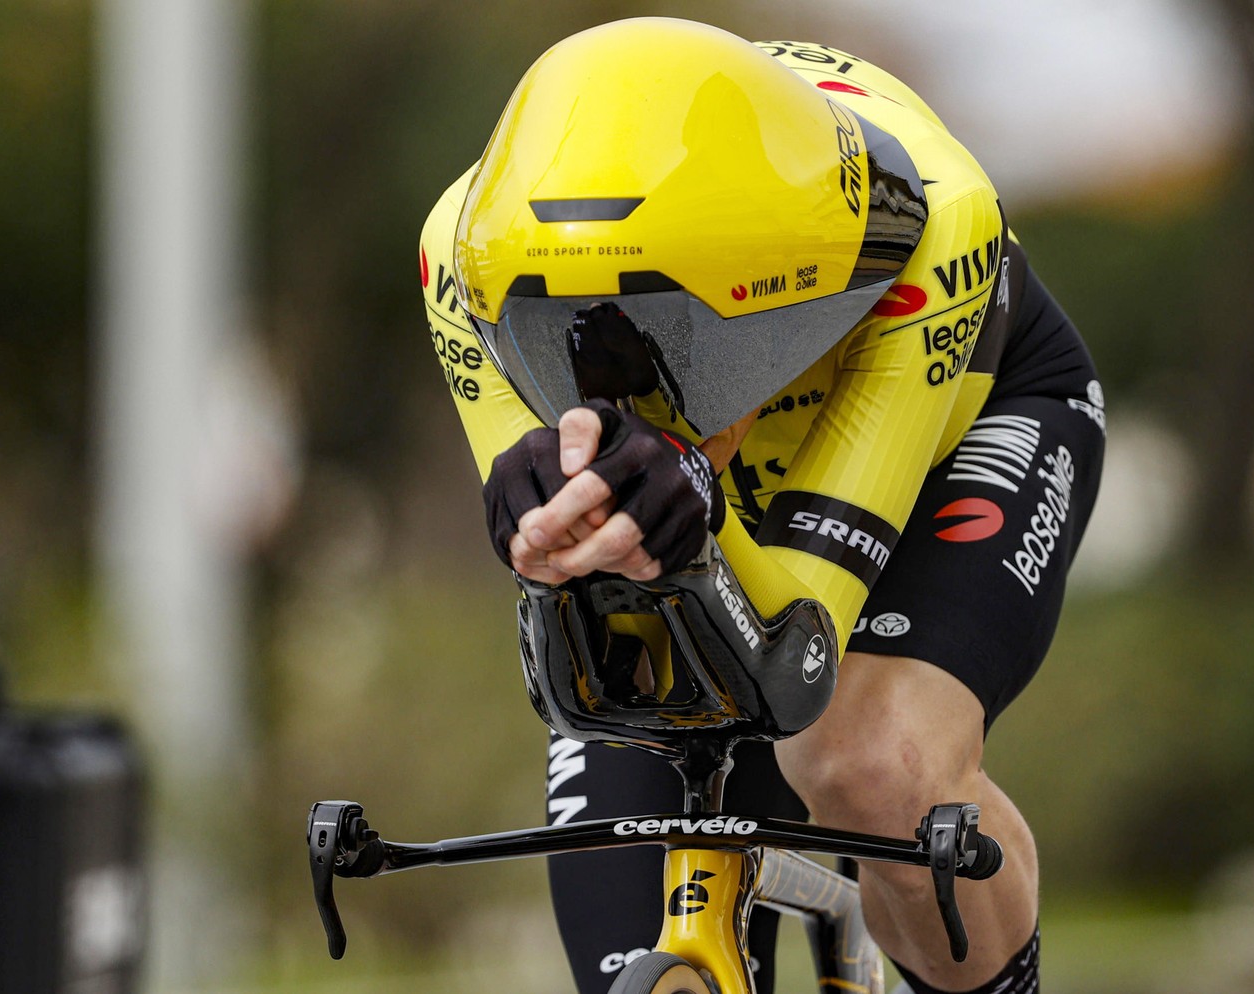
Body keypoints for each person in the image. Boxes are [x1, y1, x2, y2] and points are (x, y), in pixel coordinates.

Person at [420, 17, 1104, 994]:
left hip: (951, 431)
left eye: (691, 335)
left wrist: (700, 502)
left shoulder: (933, 220)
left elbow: (803, 644)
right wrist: (542, 520)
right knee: (626, 831)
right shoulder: (463, 248)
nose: (627, 373)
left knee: (872, 766)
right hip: (718, 490)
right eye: (569, 336)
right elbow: (559, 571)